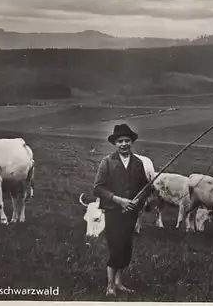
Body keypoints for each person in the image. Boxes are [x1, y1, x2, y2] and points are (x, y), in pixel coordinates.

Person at [93, 123, 151, 296]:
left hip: (130, 213)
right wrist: (119, 201)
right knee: (116, 246)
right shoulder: (107, 162)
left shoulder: (138, 163)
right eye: (120, 141)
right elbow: (98, 188)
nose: (124, 144)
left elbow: (145, 188)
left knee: (126, 247)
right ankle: (109, 285)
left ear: (131, 142)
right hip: (113, 212)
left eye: (127, 140)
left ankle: (119, 283)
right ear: (115, 144)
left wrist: (137, 202)